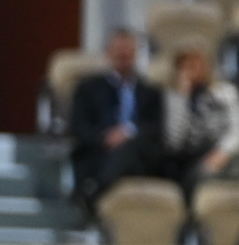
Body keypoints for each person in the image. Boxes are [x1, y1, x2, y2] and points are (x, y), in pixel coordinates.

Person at [67, 26, 166, 205]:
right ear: (108, 53)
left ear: (135, 54)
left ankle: (96, 189)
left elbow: (157, 128)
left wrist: (128, 133)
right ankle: (99, 185)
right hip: (100, 152)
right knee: (119, 152)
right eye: (118, 50)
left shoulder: (151, 92)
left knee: (133, 145)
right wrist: (106, 138)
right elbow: (79, 127)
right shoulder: (87, 88)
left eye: (127, 51)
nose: (123, 55)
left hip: (141, 158)